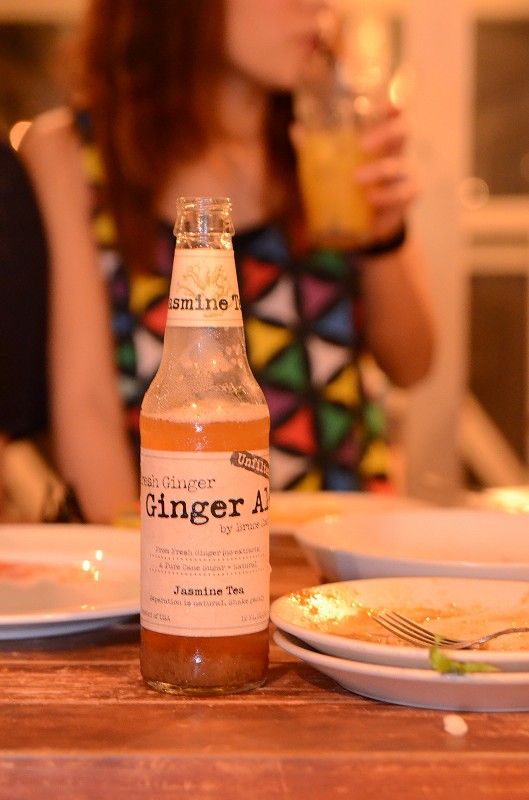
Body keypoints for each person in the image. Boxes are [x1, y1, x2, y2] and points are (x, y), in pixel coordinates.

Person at [20, 0, 435, 524]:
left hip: (341, 543)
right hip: (183, 535)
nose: (320, 6)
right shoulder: (76, 154)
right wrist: (149, 563)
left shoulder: (328, 134)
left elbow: (413, 363)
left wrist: (385, 236)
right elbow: (87, 407)